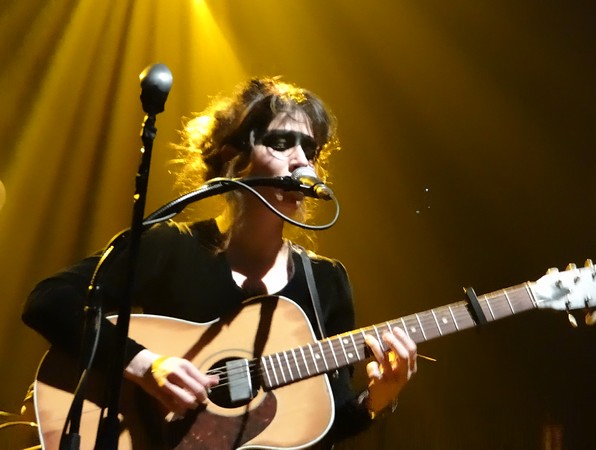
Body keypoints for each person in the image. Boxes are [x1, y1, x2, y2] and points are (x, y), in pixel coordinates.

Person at [22, 77, 417, 448]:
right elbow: (49, 300)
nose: (303, 163)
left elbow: (326, 422)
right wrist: (145, 366)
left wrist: (378, 397)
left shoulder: (325, 282)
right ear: (234, 158)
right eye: (282, 143)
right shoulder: (170, 247)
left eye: (310, 150)